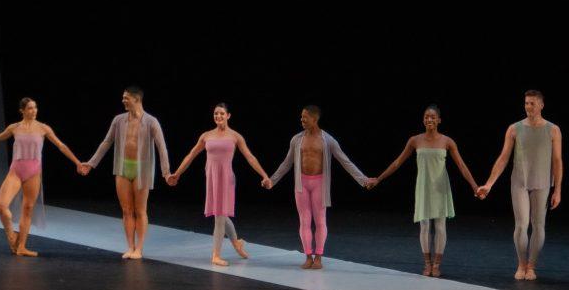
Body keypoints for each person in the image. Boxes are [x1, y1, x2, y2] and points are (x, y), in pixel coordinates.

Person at [367, 105, 479, 277]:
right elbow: (397, 163)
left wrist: (474, 186)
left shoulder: (447, 141)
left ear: (439, 120)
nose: (429, 119)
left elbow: (462, 166)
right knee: (425, 226)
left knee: (440, 226)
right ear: (423, 119)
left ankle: (437, 264)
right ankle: (427, 263)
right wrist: (379, 179)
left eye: (433, 117)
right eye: (426, 116)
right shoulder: (415, 140)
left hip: (441, 187)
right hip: (423, 187)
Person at [0, 97, 84, 256]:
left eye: (35, 107)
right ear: (22, 111)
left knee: (27, 209)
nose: (34, 111)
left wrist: (77, 162)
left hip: (33, 171)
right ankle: (11, 236)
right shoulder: (14, 128)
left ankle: (22, 247)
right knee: (1, 206)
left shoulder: (43, 128)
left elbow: (61, 145)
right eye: (30, 108)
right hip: (16, 170)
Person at [167, 103, 272, 266]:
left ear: (228, 116)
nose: (218, 116)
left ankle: (216, 255)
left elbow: (250, 157)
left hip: (226, 179)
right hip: (212, 178)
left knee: (220, 216)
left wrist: (264, 175)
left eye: (222, 114)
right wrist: (177, 173)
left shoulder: (235, 136)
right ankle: (236, 243)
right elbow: (191, 155)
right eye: (216, 114)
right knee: (221, 214)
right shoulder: (206, 136)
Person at [266, 105, 370, 269]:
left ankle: (319, 257)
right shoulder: (296, 139)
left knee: (320, 221)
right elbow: (287, 163)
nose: (302, 120)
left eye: (305, 117)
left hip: (319, 184)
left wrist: (363, 179)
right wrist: (272, 180)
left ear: (315, 119)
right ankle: (308, 256)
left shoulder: (327, 140)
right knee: (304, 221)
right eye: (301, 117)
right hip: (302, 184)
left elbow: (345, 161)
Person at [476, 90, 563, 280]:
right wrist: (489, 184)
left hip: (542, 182)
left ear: (541, 105)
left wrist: (558, 189)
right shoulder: (514, 128)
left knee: (538, 225)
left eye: (532, 103)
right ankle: (521, 264)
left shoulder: (553, 129)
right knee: (521, 224)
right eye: (526, 103)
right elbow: (503, 157)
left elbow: (557, 160)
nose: (528, 107)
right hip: (520, 182)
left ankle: (531, 266)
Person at [79, 86, 170, 260]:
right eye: (123, 98)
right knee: (127, 210)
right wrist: (91, 164)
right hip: (122, 168)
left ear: (137, 99)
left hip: (142, 168)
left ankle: (139, 248)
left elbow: (162, 147)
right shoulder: (119, 120)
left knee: (140, 210)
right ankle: (130, 246)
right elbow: (106, 142)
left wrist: (166, 173)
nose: (123, 101)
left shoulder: (151, 121)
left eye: (126, 98)